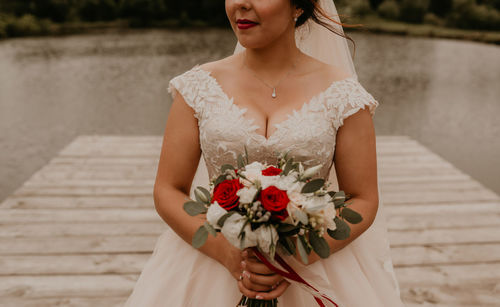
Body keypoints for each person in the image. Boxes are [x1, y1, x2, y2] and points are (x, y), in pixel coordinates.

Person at [124, 0, 405, 306]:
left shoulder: (343, 94)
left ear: (298, 5)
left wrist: (294, 260)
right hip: (210, 263)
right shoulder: (198, 87)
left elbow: (363, 199)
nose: (242, 4)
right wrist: (229, 255)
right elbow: (167, 189)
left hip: (312, 265)